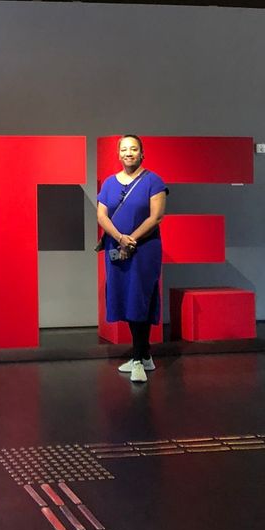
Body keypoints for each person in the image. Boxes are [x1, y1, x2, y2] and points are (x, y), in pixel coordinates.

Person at [96, 135, 167, 384]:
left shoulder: (154, 181)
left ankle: (137, 360)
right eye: (124, 149)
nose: (129, 153)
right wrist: (119, 238)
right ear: (118, 154)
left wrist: (131, 239)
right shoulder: (109, 183)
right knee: (124, 297)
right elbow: (102, 216)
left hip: (144, 249)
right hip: (116, 248)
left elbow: (156, 217)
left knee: (140, 297)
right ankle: (144, 355)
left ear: (142, 153)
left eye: (133, 149)